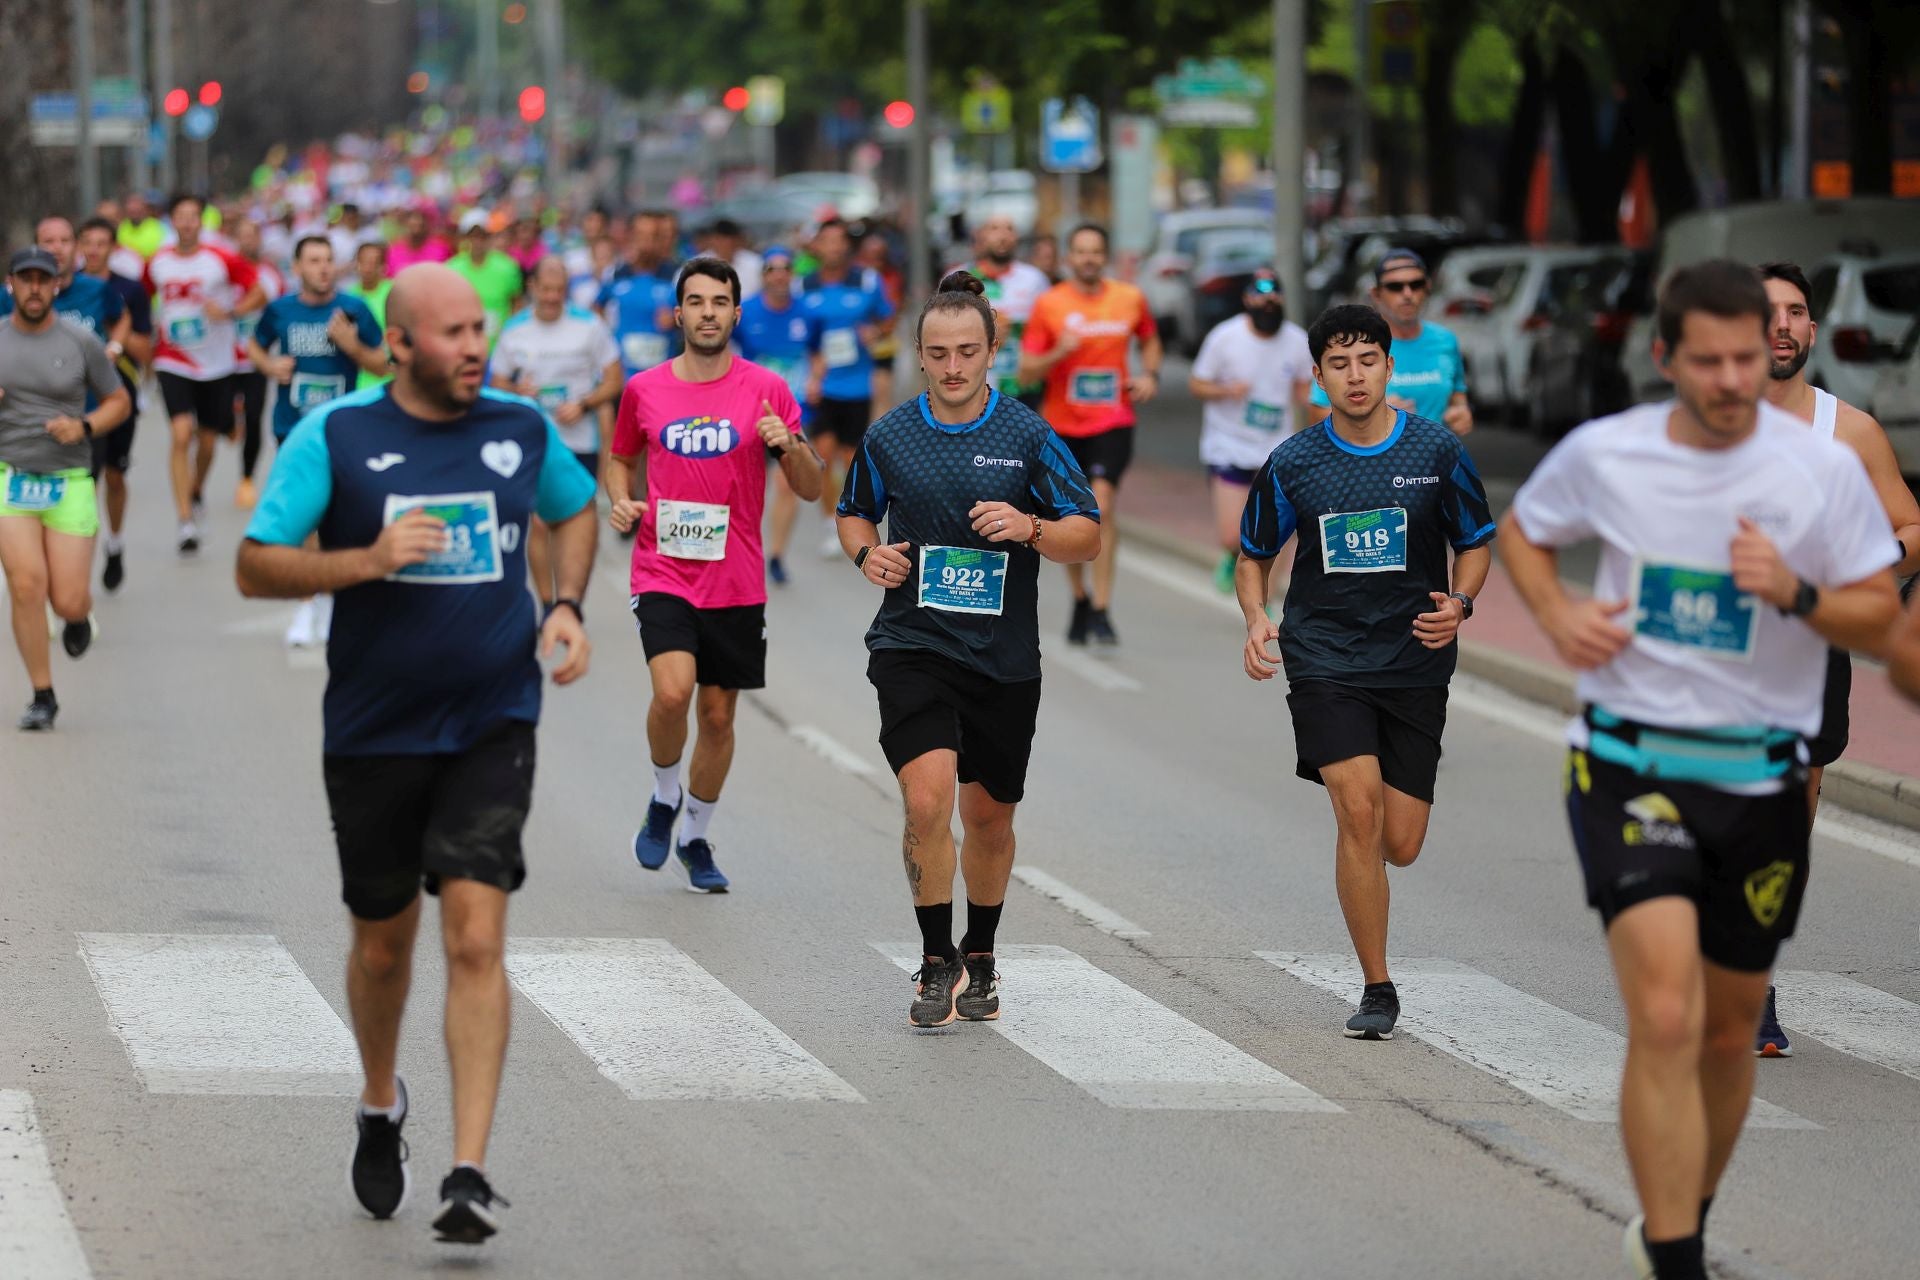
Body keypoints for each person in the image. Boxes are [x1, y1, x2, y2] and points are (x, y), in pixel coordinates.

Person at [1498, 260, 1899, 1280]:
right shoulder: (1610, 452)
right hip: (1633, 764)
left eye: (1744, 355)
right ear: (1668, 356)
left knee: (1726, 1035)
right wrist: (1557, 616)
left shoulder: (1823, 467)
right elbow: (1524, 533)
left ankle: (1685, 1206)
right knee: (1666, 1013)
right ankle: (1674, 1255)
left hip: (1764, 780)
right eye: (1708, 358)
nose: (1730, 376)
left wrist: (1798, 593)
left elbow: (1879, 616)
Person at [235, 263, 598, 1245]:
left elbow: (577, 507)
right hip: (373, 727)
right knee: (383, 943)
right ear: (398, 345)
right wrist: (367, 559)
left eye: (480, 328)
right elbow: (255, 561)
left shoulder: (521, 426)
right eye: (452, 333)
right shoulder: (339, 435)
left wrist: (565, 604)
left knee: (477, 937)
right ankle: (379, 1096)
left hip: (492, 718)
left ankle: (470, 1170)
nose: (475, 346)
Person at [836, 272, 1101, 1027]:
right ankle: (932, 960)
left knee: (988, 818)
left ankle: (979, 952)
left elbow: (1088, 533)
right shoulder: (890, 436)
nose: (953, 368)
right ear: (919, 356)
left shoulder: (1026, 436)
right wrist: (868, 557)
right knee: (928, 801)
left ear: (993, 352)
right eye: (938, 353)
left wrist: (1030, 529)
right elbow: (853, 513)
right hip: (912, 644)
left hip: (1003, 658)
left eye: (968, 352)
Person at [1238, 303, 1496, 1041]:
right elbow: (1253, 555)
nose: (1354, 376)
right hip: (1325, 656)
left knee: (1400, 841)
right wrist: (1257, 617)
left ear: (1389, 366)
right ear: (1317, 377)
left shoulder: (1436, 450)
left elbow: (1475, 539)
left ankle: (1369, 872)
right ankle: (1377, 987)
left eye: (1367, 361)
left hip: (1414, 656)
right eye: (1338, 364)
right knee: (1357, 811)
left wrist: (1463, 601)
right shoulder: (1295, 462)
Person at [1746, 260, 1920, 1059]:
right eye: (1765, 312)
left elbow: (1911, 528)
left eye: (1796, 313)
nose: (1782, 325)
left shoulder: (1848, 430)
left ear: (1812, 331)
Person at [608, 256, 824, 892]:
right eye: (695, 301)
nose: (707, 312)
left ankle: (696, 837)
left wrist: (787, 442)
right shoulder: (644, 389)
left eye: (719, 301)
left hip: (736, 579)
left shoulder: (766, 389)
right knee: (673, 693)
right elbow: (621, 459)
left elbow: (811, 489)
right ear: (679, 314)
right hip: (662, 568)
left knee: (720, 718)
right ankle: (662, 795)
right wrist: (619, 498)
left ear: (736, 312)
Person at [0, 248, 132, 729]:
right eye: (25, 279)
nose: (35, 287)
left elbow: (119, 400)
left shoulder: (80, 341)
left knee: (69, 599)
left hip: (69, 480)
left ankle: (78, 619)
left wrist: (86, 426)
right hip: (9, 478)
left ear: (58, 285)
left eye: (44, 279)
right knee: (26, 584)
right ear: (10, 284)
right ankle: (42, 694)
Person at [1018, 222, 1162, 646]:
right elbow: (1025, 370)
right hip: (1062, 427)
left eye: (1095, 252)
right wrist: (1058, 352)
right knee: (1069, 518)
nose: (1088, 259)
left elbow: (1150, 340)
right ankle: (1079, 597)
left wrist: (1150, 374)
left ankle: (1101, 606)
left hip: (1113, 421)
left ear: (1106, 257)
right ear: (1068, 258)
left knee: (1102, 507)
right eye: (1080, 252)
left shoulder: (1129, 298)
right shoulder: (1049, 305)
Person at [245, 235, 389, 648]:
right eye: (314, 260)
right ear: (298, 268)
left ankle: (329, 602)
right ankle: (307, 606)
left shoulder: (354, 310)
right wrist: (270, 365)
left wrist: (352, 346)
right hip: (293, 426)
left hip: (343, 428)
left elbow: (383, 364)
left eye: (328, 260)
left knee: (339, 516)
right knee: (306, 515)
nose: (323, 268)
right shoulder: (280, 310)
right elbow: (255, 346)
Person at [491, 257, 623, 610]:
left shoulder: (589, 326)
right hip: (533, 439)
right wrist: (519, 393)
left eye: (559, 290)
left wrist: (584, 403)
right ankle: (548, 604)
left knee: (574, 520)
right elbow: (498, 382)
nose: (551, 297)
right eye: (545, 289)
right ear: (533, 288)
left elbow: (614, 379)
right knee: (537, 523)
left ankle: (570, 596)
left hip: (579, 440)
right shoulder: (514, 329)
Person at [145, 192, 265, 554]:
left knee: (209, 441)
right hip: (172, 358)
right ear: (172, 221)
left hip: (216, 362)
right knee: (182, 434)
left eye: (193, 216)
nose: (186, 223)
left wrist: (231, 312)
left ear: (202, 221)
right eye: (179, 216)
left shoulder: (221, 258)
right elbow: (140, 296)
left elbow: (258, 291)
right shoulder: (158, 262)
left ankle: (196, 489)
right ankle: (185, 521)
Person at [1190, 266, 1315, 594]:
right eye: (1260, 295)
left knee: (1283, 527)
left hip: (1276, 447)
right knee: (1233, 535)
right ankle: (1233, 555)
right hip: (1229, 444)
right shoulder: (1224, 337)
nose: (1268, 302)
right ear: (1247, 300)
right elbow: (1197, 383)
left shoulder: (1297, 340)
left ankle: (1268, 600)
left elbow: (1305, 392)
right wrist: (1224, 392)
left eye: (1275, 294)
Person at [802, 218, 897, 557]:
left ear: (847, 247)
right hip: (822, 385)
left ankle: (848, 517)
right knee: (822, 456)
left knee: (848, 458)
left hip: (857, 385)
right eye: (826, 241)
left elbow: (888, 318)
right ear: (817, 246)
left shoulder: (866, 280)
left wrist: (876, 332)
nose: (833, 248)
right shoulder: (806, 285)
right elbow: (803, 337)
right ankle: (830, 521)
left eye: (839, 241)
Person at [1312, 248, 1471, 436]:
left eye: (1416, 284)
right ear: (1376, 294)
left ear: (1427, 287)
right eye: (1395, 287)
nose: (1407, 294)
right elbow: (1316, 414)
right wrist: (1375, 412)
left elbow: (1458, 398)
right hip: (1378, 461)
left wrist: (1461, 414)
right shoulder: (1358, 343)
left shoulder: (1446, 340)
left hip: (1435, 459)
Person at [76, 217, 153, 592]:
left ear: (113, 247)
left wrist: (111, 339)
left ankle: (116, 543)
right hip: (82, 400)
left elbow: (145, 347)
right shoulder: (67, 289)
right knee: (86, 484)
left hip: (120, 393)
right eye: (86, 243)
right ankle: (78, 566)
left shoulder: (130, 290)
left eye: (101, 243)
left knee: (115, 477)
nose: (93, 250)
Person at [733, 245, 813, 585]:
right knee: (744, 486)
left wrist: (817, 378)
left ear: (792, 274)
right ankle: (742, 549)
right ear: (763, 275)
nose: (779, 274)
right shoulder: (745, 312)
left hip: (792, 413)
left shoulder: (808, 313)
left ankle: (777, 554)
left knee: (786, 484)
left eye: (785, 268)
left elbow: (819, 351)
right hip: (747, 413)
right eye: (772, 269)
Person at [966, 214, 1051, 411]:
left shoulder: (1035, 280)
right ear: (981, 235)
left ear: (1017, 237)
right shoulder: (961, 279)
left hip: (1024, 387)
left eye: (1009, 229)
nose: (1002, 236)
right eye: (994, 228)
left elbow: (1049, 329)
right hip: (975, 386)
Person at [230, 218, 286, 510]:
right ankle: (229, 423)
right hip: (223, 359)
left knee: (254, 419)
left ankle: (247, 478)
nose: (247, 241)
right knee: (220, 419)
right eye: (242, 235)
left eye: (252, 235)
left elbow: (280, 311)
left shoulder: (270, 273)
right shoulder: (223, 270)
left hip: (256, 359)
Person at [602, 210, 683, 380]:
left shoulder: (678, 275)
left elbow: (693, 316)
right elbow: (596, 306)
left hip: (663, 375)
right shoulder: (616, 274)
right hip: (623, 378)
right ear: (631, 237)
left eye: (652, 236)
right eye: (640, 235)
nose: (646, 242)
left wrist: (677, 320)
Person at [447, 212, 523, 348]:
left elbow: (516, 305)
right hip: (463, 348)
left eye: (481, 235)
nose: (477, 241)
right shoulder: (452, 269)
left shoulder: (507, 267)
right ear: (465, 237)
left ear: (489, 236)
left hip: (499, 349)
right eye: (473, 235)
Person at [344, 242, 395, 389]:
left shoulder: (395, 293)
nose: (367, 268)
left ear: (383, 267)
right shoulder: (348, 297)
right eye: (363, 262)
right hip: (356, 377)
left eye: (373, 263)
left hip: (388, 376)